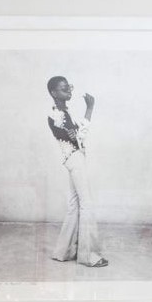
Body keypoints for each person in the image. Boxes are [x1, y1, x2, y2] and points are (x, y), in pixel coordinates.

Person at [47, 75, 108, 268]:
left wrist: (77, 130)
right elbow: (77, 137)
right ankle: (89, 256)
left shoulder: (66, 112)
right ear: (53, 93)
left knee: (74, 205)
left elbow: (78, 134)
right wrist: (90, 109)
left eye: (69, 87)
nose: (69, 91)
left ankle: (63, 252)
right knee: (86, 204)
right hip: (74, 158)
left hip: (73, 158)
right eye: (64, 88)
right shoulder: (56, 114)